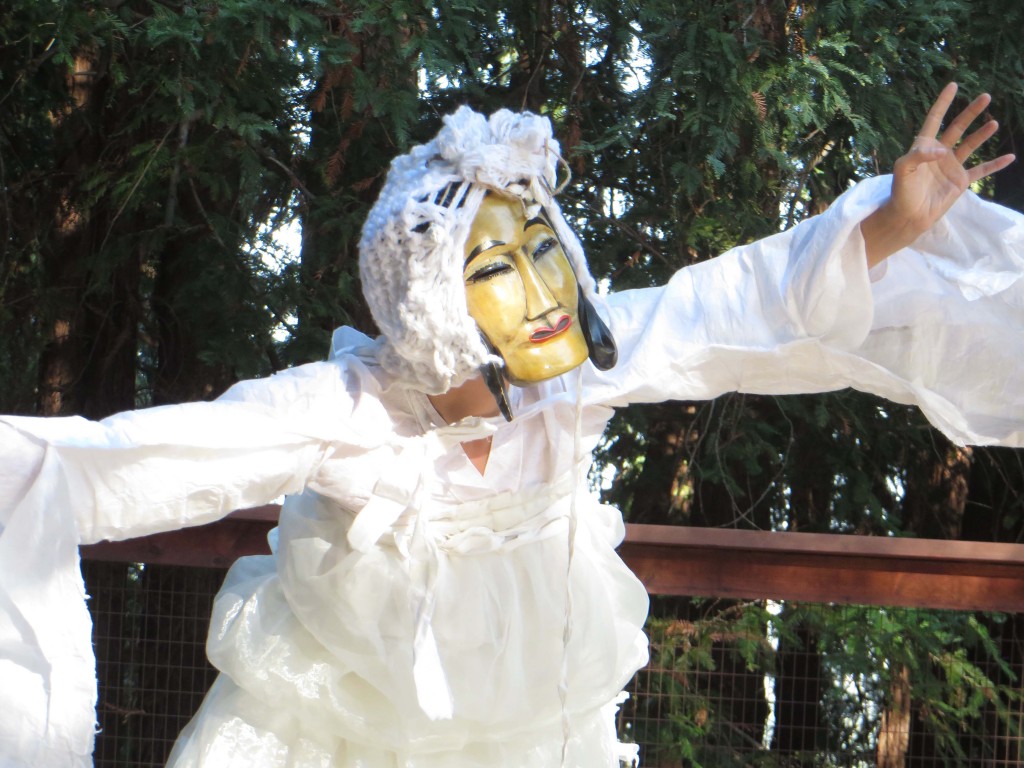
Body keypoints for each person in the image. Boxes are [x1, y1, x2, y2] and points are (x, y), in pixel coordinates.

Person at [1, 83, 1022, 767]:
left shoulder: (567, 377)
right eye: (494, 267)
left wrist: (887, 228)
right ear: (429, 297)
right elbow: (137, 463)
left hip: (536, 735)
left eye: (544, 251)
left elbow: (727, 309)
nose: (544, 290)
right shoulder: (345, 410)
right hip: (334, 732)